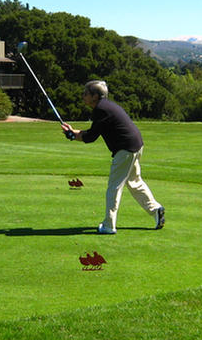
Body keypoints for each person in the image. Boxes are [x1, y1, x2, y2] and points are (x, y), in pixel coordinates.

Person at [61, 80, 165, 235]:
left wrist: (71, 136)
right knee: (134, 182)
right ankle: (155, 210)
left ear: (95, 96)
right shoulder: (106, 106)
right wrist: (73, 133)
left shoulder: (101, 110)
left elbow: (90, 137)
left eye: (86, 93)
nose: (83, 96)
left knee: (114, 187)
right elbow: (92, 132)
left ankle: (109, 225)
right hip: (135, 145)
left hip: (125, 149)